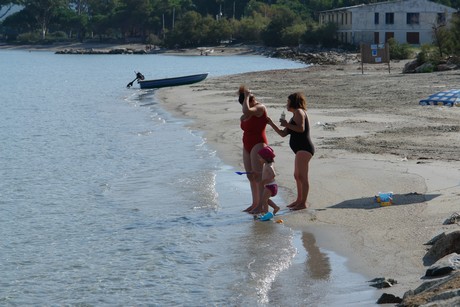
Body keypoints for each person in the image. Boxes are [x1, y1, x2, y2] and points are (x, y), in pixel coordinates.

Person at [267, 92, 315, 210]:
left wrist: (287, 124)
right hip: (300, 149)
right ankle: (299, 200)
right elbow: (283, 134)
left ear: (293, 102)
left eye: (288, 102)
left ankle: (303, 203)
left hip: (304, 148)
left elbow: (301, 128)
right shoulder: (294, 115)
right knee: (297, 175)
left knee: (302, 176)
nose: (286, 104)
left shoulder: (299, 112)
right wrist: (271, 123)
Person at [238, 86, 269, 213]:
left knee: (258, 177)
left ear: (250, 100)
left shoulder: (260, 107)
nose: (243, 107)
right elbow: (246, 112)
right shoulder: (247, 112)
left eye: (245, 102)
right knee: (251, 176)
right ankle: (255, 203)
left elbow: (247, 109)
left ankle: (261, 205)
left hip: (258, 143)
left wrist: (246, 96)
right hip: (247, 145)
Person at [254, 146, 280, 216]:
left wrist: (265, 181)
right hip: (269, 186)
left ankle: (266, 214)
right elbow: (265, 173)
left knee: (264, 200)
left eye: (260, 158)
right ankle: (275, 207)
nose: (259, 159)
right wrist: (257, 173)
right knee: (265, 200)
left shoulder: (269, 166)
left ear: (266, 158)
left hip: (271, 186)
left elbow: (273, 174)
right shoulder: (265, 165)